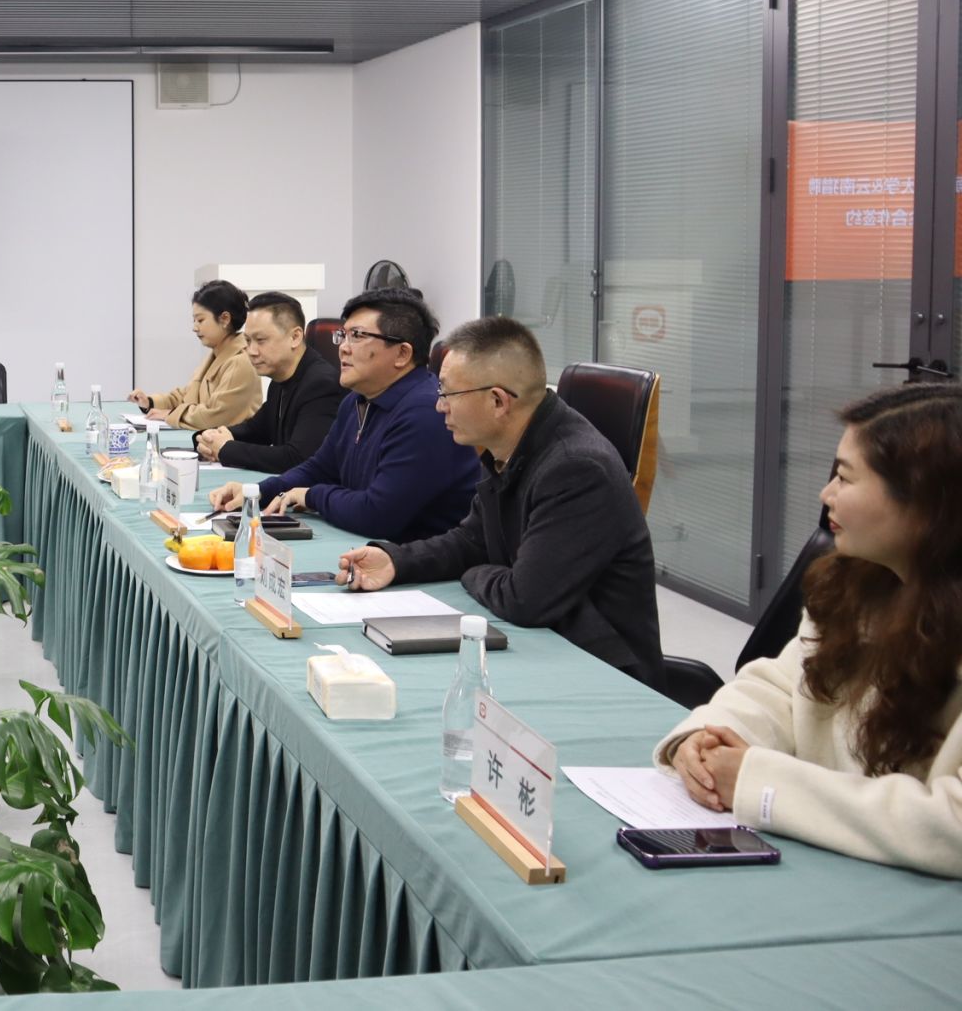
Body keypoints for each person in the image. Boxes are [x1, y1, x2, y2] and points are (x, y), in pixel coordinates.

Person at [652, 383, 962, 878]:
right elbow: (782, 687)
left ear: (924, 503)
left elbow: (951, 825)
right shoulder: (853, 584)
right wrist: (705, 740)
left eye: (845, 477)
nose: (826, 494)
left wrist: (759, 783)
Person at [332, 317, 663, 686]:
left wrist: (473, 572)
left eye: (448, 394)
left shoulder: (577, 468)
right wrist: (396, 561)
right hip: (544, 647)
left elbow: (524, 598)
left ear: (497, 401)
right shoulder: (509, 447)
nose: (439, 406)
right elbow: (472, 541)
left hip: (601, 673)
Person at [208, 287, 478, 543]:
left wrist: (312, 496)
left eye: (357, 336)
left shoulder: (425, 412)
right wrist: (258, 492)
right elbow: (320, 468)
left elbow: (377, 514)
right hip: (370, 550)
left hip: (419, 564)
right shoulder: (356, 401)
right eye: (343, 335)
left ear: (402, 353)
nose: (343, 348)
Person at [192, 291, 342, 474]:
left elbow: (297, 458)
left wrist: (225, 449)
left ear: (295, 337)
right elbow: (256, 430)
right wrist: (209, 437)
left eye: (261, 340)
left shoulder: (321, 384)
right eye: (248, 341)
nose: (251, 351)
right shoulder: (280, 379)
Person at [127, 279, 261, 431]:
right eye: (194, 320)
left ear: (225, 319)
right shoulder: (217, 355)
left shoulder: (240, 362)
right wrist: (150, 402)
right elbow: (187, 396)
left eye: (200, 320)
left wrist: (170, 414)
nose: (195, 327)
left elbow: (214, 415)